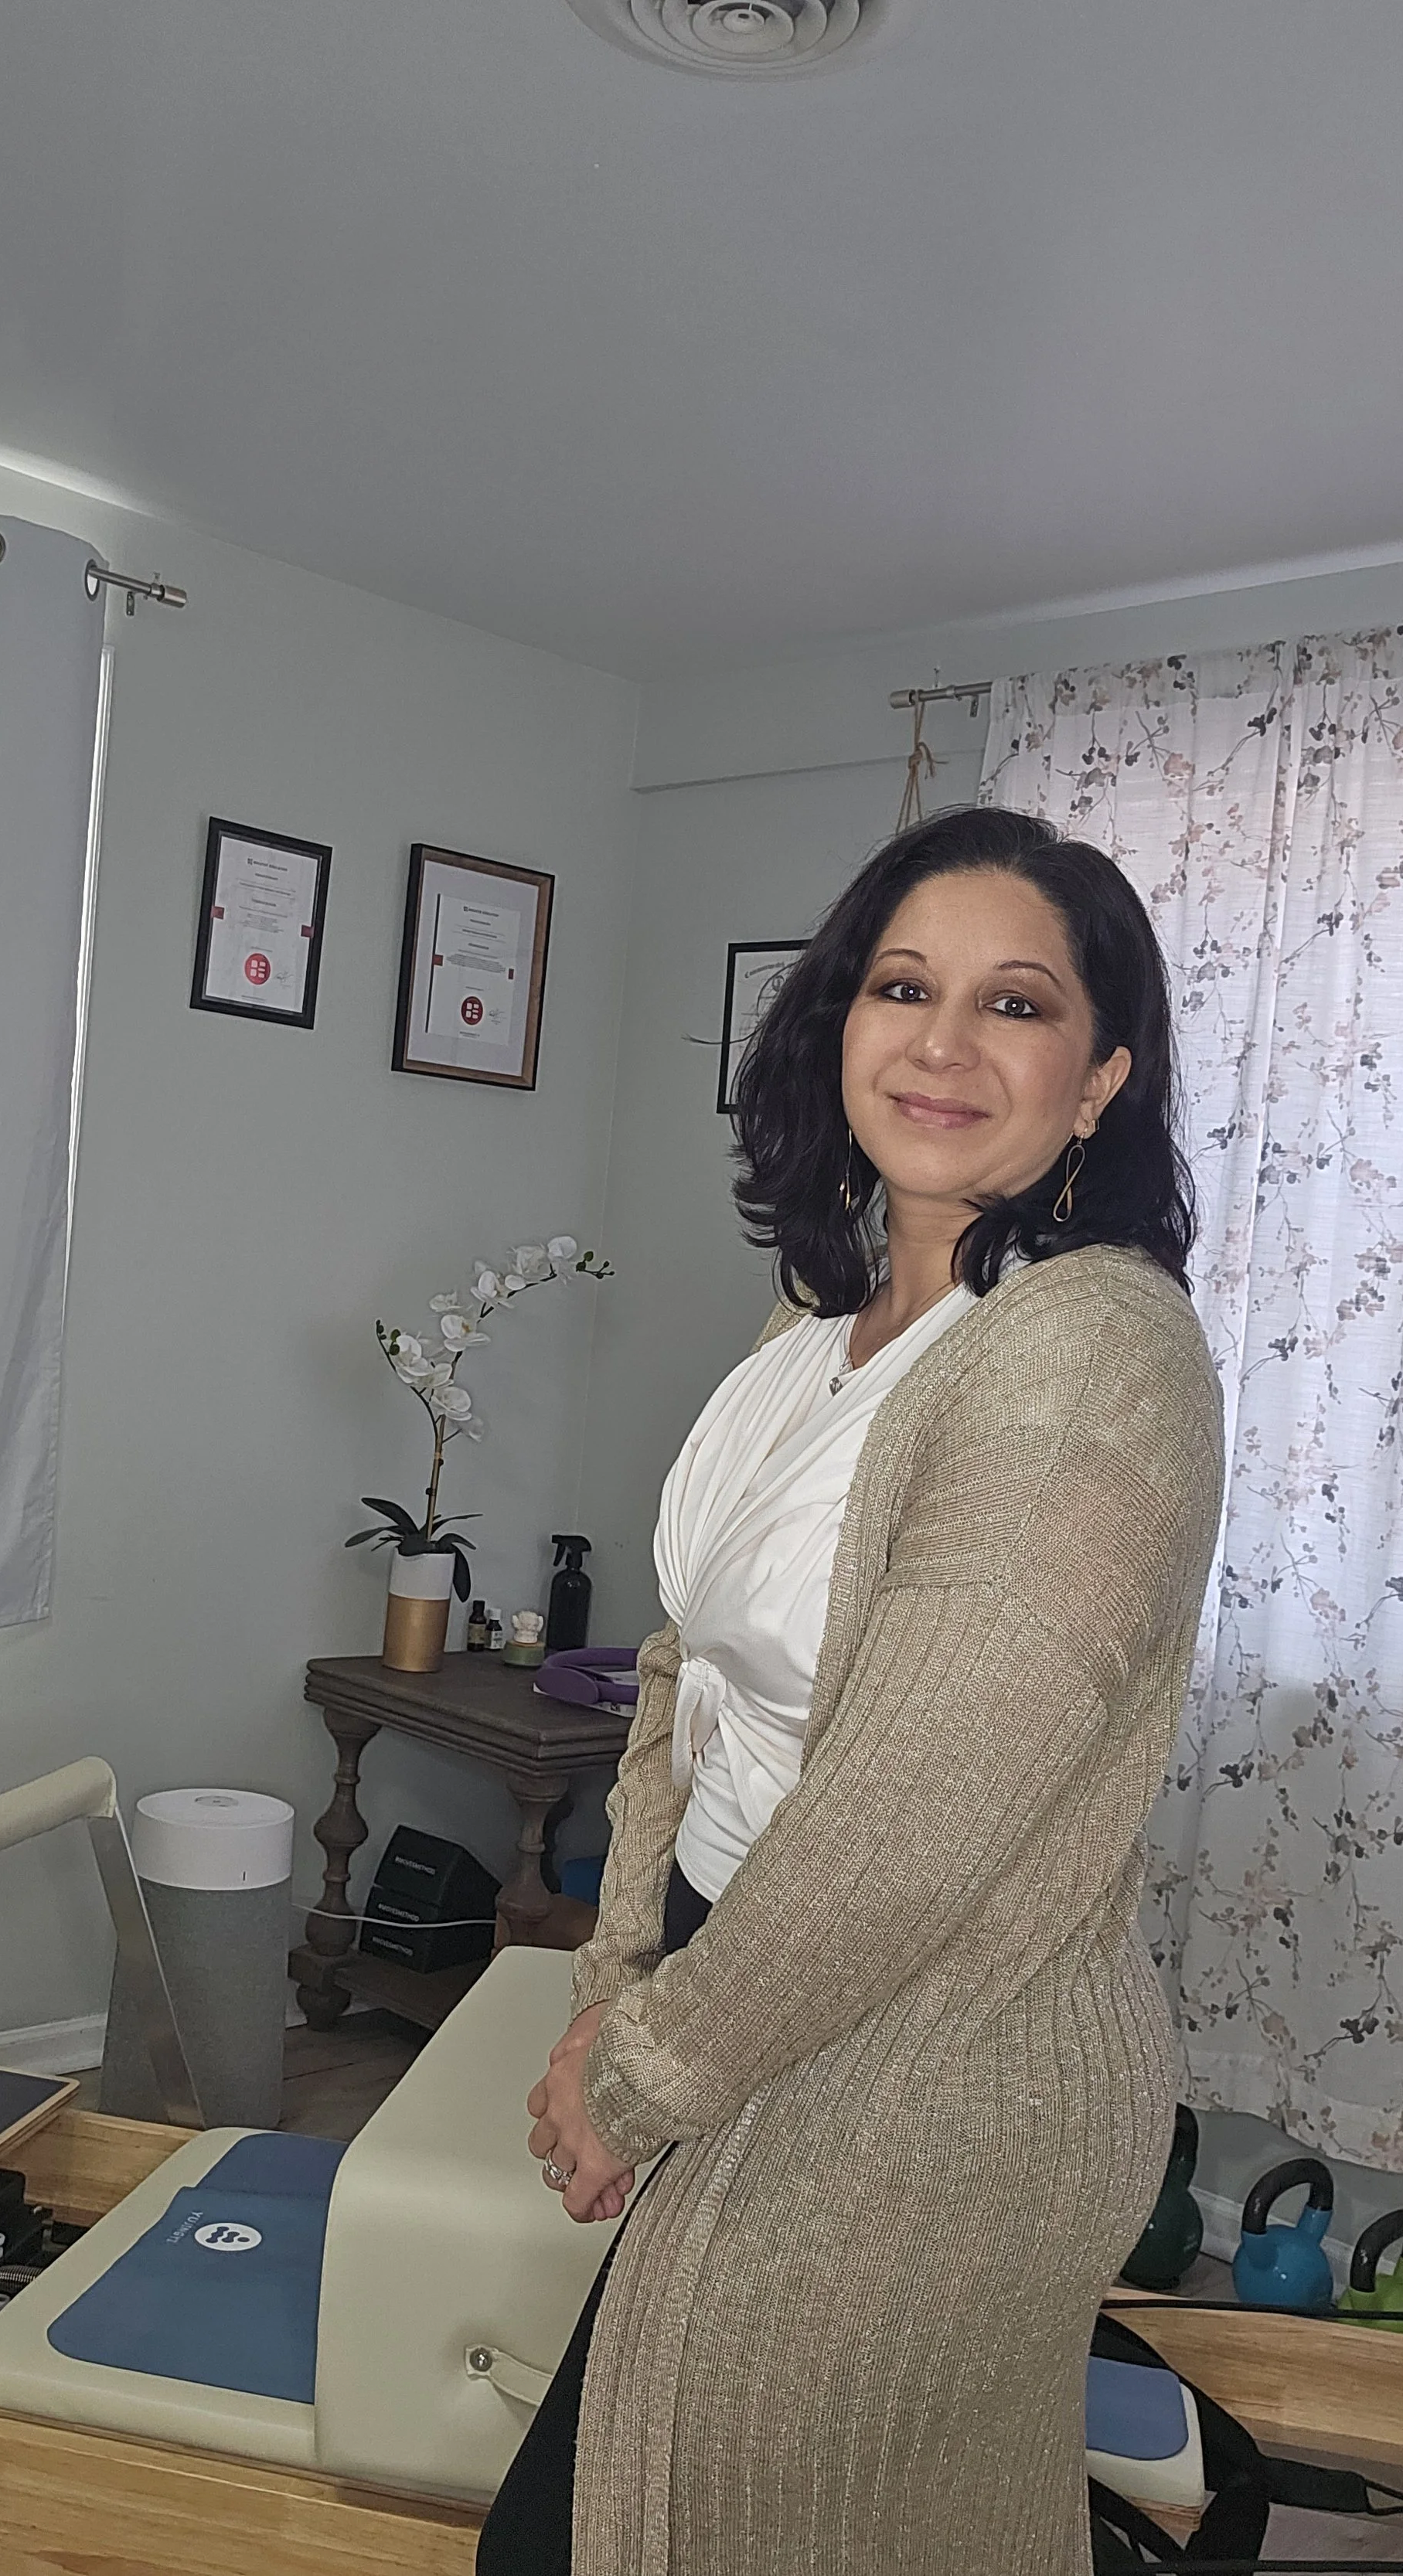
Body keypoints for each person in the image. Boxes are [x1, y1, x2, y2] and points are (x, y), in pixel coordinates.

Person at [477, 805, 1225, 2576]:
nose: (943, 1042)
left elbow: (906, 1823)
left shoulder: (1089, 1358)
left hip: (927, 2083)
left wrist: (637, 2074)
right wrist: (612, 1977)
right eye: (903, 985)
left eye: (1016, 1004)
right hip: (742, 1994)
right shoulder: (813, 1331)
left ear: (1101, 1077)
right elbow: (683, 1668)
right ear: (838, 1022)